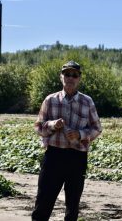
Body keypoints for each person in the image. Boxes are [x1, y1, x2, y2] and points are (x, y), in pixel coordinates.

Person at [32, 60, 102, 221]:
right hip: (53, 156)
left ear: (79, 79)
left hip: (77, 158)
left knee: (72, 207)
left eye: (74, 75)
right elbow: (38, 127)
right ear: (61, 76)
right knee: (43, 202)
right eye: (67, 74)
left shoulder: (87, 101)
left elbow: (97, 128)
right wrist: (51, 125)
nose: (70, 78)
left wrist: (80, 134)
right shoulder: (50, 100)